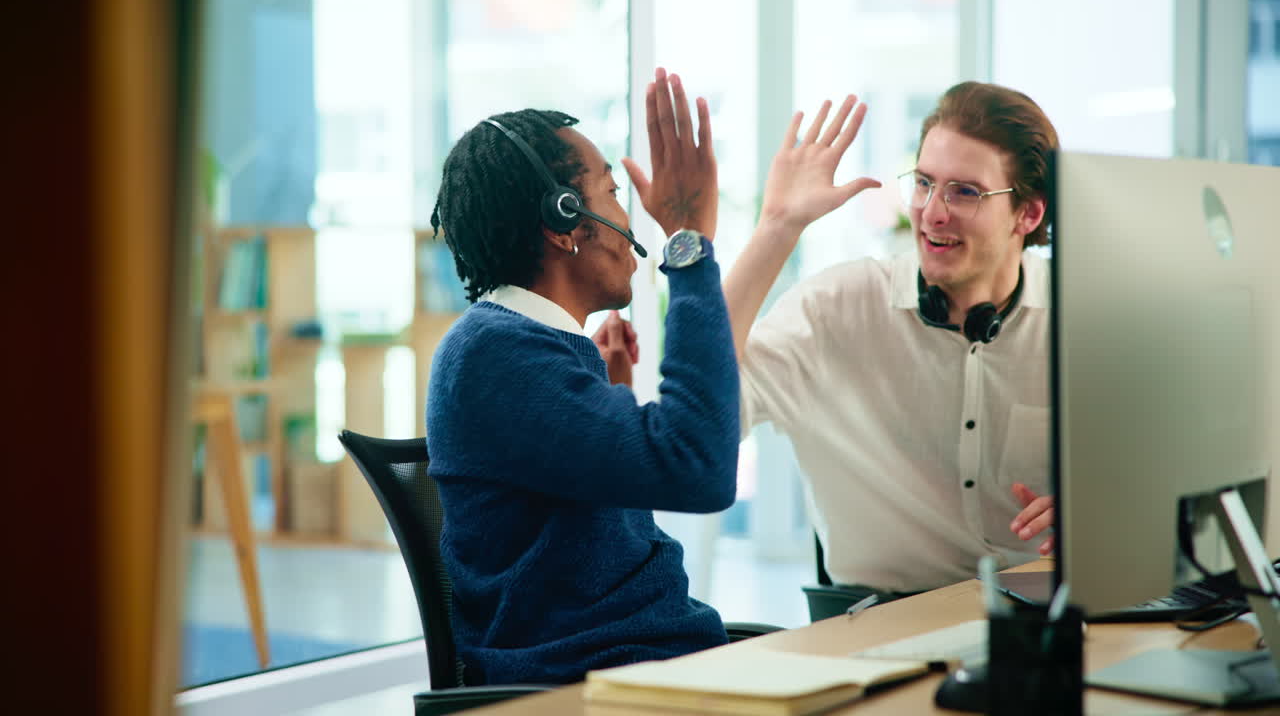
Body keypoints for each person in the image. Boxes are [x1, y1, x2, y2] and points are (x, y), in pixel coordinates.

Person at [424, 68, 742, 686]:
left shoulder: (526, 352)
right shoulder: (495, 358)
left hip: (643, 670)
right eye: (613, 192)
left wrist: (609, 400)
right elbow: (699, 466)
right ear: (563, 219)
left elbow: (572, 540)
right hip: (596, 684)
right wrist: (689, 244)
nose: (631, 215)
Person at [722, 82, 1060, 602]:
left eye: (964, 192)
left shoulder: (1080, 317)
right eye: (925, 182)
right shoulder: (836, 309)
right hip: (874, 625)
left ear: (1028, 214)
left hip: (1041, 617)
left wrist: (1107, 509)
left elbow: (1157, 477)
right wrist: (778, 226)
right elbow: (702, 417)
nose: (932, 212)